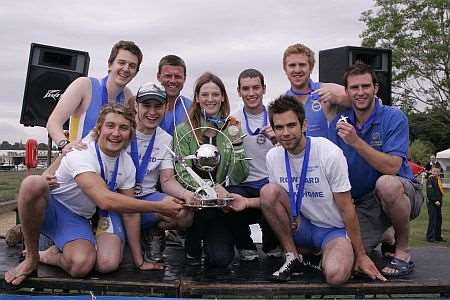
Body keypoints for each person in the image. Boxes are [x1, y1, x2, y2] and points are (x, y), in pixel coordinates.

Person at [4, 104, 183, 286]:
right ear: (99, 128)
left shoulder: (127, 164)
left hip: (76, 217)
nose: (116, 133)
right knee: (33, 183)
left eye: (123, 128)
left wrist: (139, 261)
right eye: (110, 126)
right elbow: (104, 200)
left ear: (131, 134)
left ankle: (50, 256)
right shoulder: (82, 152)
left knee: (83, 265)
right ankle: (31, 257)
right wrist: (160, 207)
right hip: (51, 206)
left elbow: (130, 213)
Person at [229, 95, 384, 284]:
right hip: (300, 226)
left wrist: (361, 255)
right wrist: (245, 202)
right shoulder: (273, 156)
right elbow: (275, 199)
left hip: (331, 230)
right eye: (279, 127)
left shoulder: (329, 152)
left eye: (291, 125)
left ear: (304, 125)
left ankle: (320, 257)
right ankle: (293, 256)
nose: (285, 133)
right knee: (268, 191)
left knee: (335, 276)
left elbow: (347, 208)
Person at [332, 63, 424, 278]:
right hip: (364, 201)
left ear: (376, 88)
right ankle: (385, 234)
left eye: (366, 86)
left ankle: (402, 251)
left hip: (402, 192)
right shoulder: (340, 121)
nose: (361, 92)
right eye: (354, 88)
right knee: (348, 257)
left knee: (387, 184)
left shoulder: (394, 116)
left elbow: (392, 167)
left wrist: (356, 142)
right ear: (347, 92)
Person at [173, 72, 249, 267]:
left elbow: (240, 175)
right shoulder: (184, 130)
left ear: (223, 97)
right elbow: (181, 172)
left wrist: (238, 143)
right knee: (193, 257)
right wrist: (208, 190)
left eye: (215, 94)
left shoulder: (231, 128)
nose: (210, 99)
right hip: (194, 203)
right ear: (197, 98)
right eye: (205, 95)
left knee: (221, 259)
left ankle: (213, 240)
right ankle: (190, 238)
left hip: (219, 207)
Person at [130, 82, 194, 263]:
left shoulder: (165, 139)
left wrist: (188, 194)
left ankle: (153, 230)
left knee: (185, 214)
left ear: (166, 108)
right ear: (136, 106)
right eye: (146, 105)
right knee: (108, 261)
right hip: (120, 201)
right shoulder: (122, 131)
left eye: (158, 106)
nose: (152, 112)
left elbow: (167, 180)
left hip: (147, 198)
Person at [47, 40, 143, 151]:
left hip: (108, 164)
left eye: (132, 66)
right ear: (110, 64)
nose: (126, 69)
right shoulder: (84, 85)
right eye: (121, 63)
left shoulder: (128, 97)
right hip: (80, 162)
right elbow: (53, 122)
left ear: (135, 73)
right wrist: (64, 144)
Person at [227, 68, 279, 261]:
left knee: (276, 194)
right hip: (243, 183)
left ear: (264, 89)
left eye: (256, 87)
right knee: (231, 195)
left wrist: (277, 141)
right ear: (239, 91)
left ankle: (272, 243)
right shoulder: (232, 119)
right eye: (246, 89)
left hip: (269, 181)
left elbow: (291, 153)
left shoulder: (276, 116)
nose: (251, 93)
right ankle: (245, 245)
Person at [283, 43, 349, 138]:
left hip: (326, 152)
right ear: (285, 69)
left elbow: (366, 99)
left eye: (302, 65)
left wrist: (338, 99)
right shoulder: (283, 102)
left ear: (311, 67)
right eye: (292, 65)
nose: (297, 70)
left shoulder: (327, 89)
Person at [157, 55, 193, 135]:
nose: (173, 80)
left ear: (184, 78)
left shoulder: (192, 109)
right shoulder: (145, 106)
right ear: (158, 76)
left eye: (177, 77)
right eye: (168, 76)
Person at [425, 166, 445, 242]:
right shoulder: (430, 179)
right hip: (432, 202)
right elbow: (430, 191)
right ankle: (430, 237)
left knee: (439, 219)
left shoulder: (438, 179)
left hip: (439, 202)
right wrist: (435, 200)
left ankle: (437, 236)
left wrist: (440, 200)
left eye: (437, 171)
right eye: (434, 171)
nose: (436, 173)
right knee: (433, 219)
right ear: (431, 171)